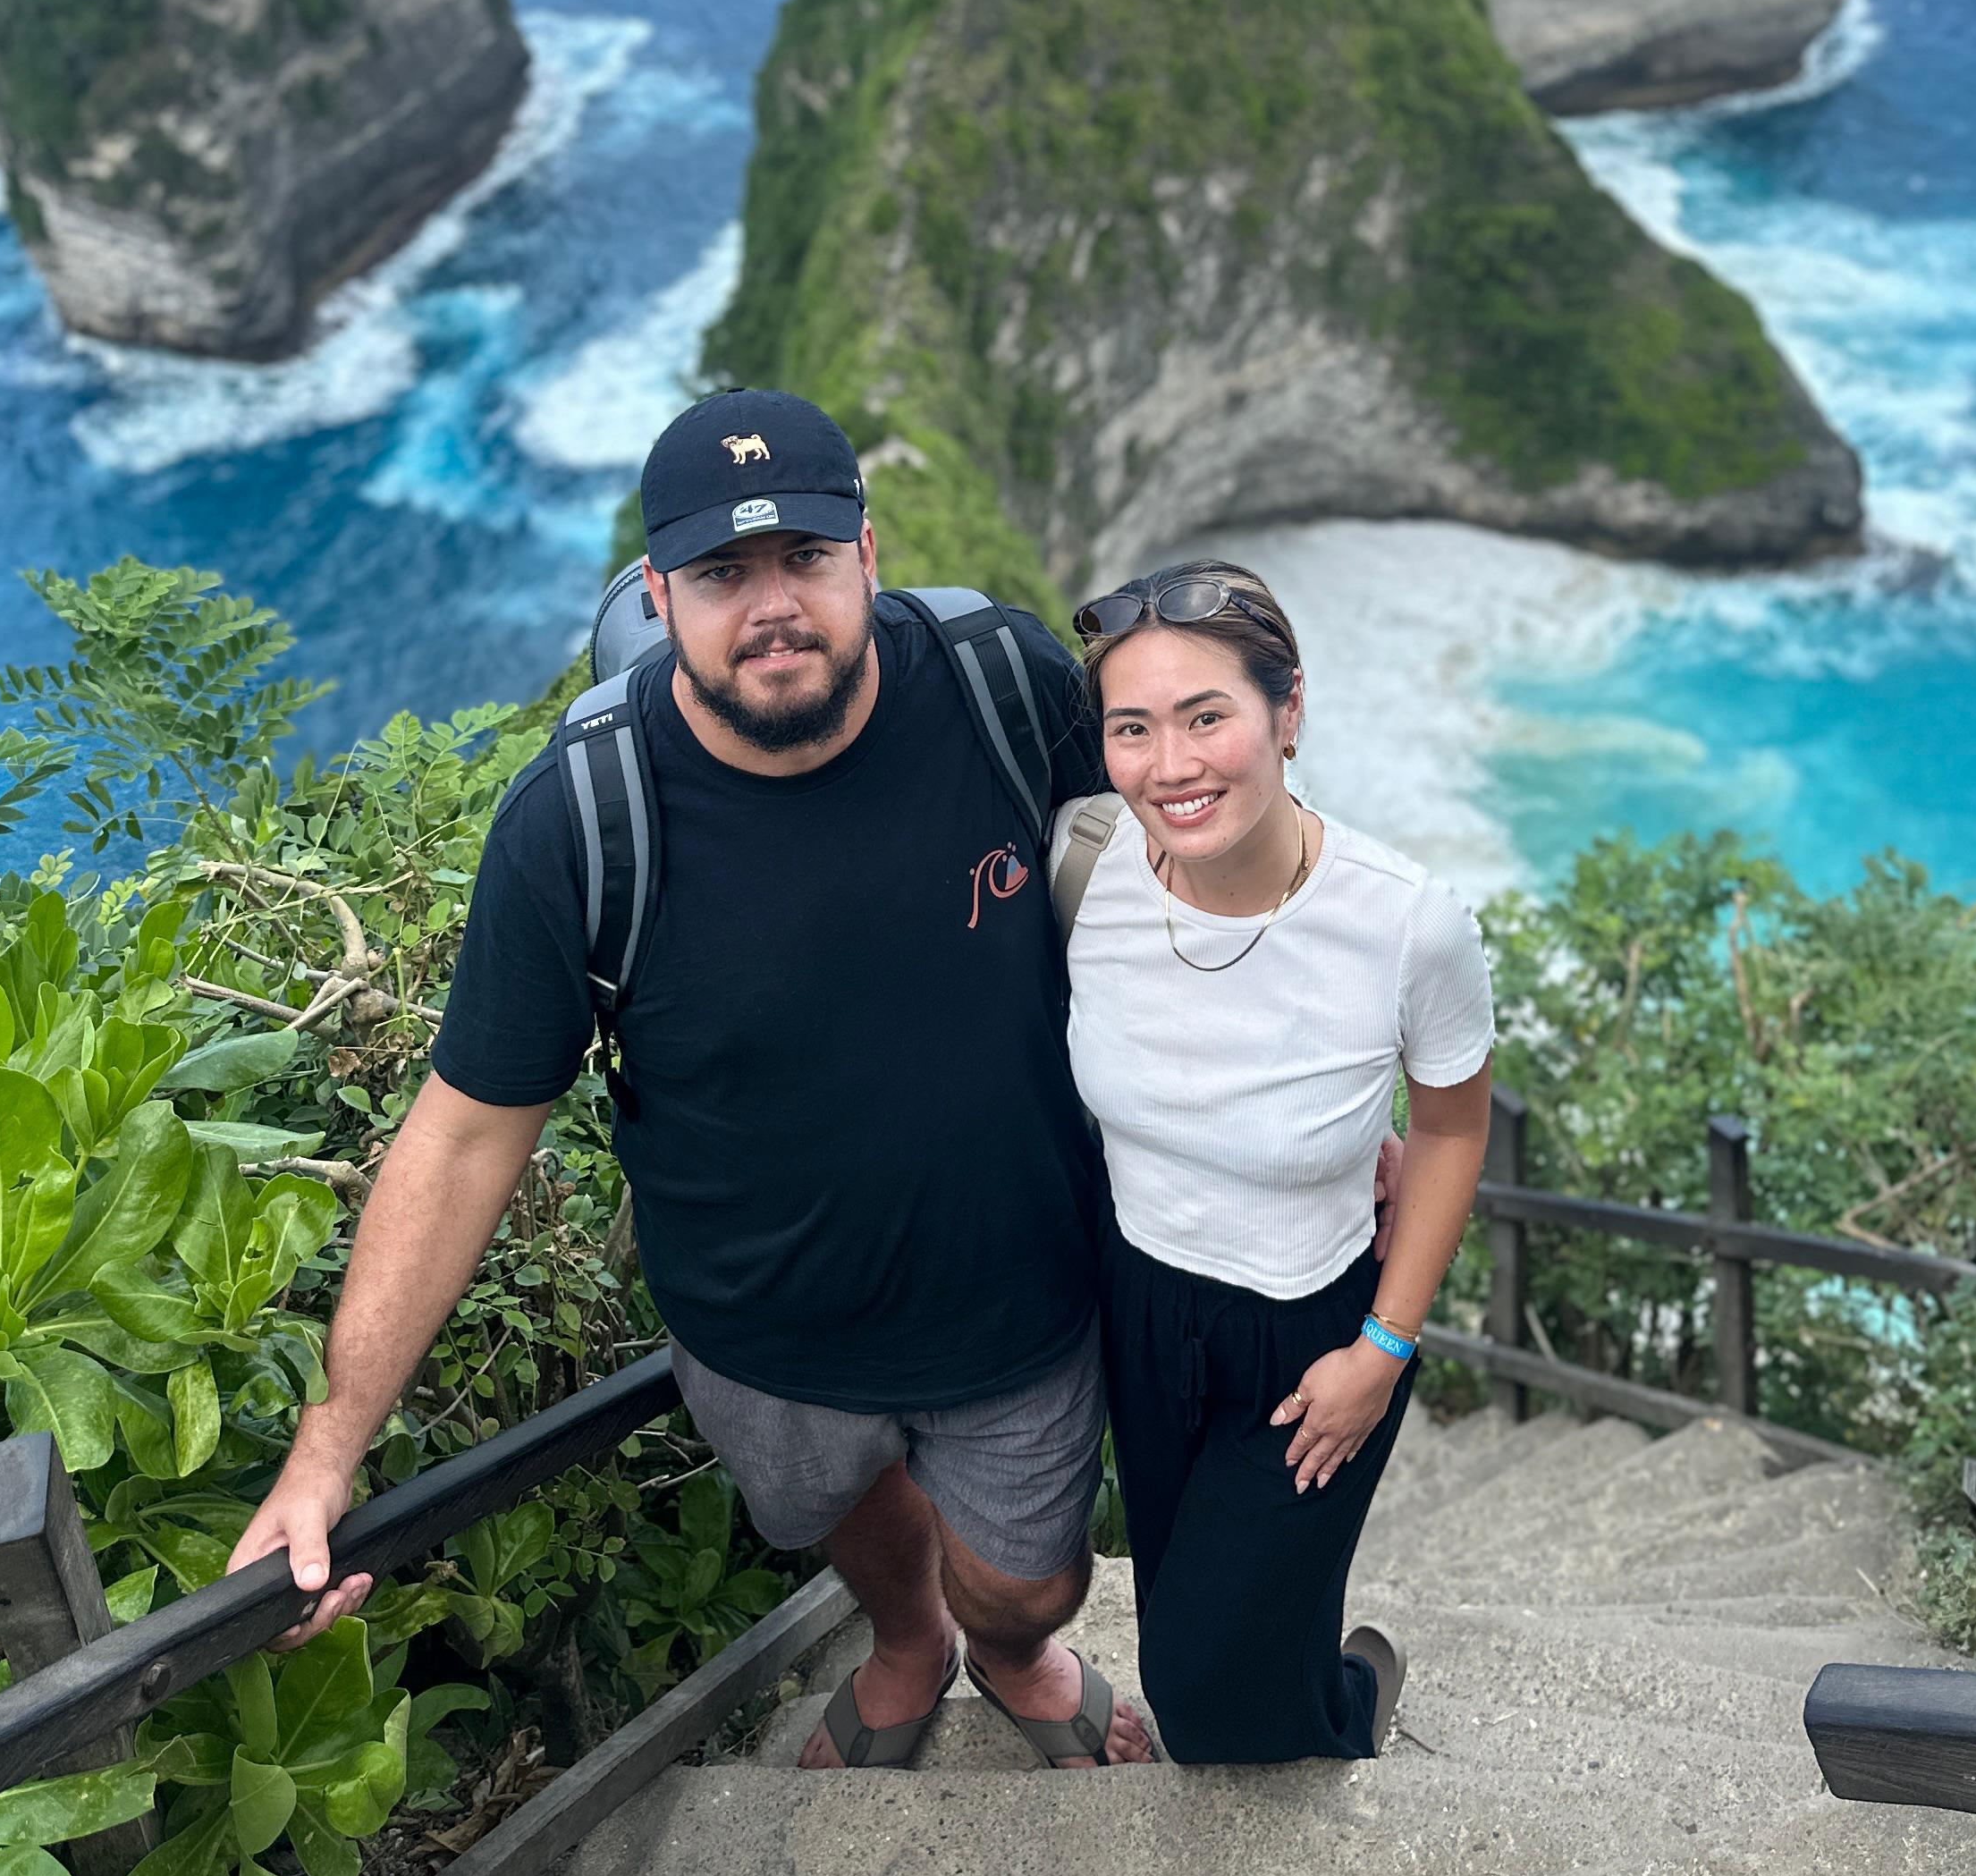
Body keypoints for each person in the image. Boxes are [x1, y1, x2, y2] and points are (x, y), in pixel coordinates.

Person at [228, 389, 1153, 1772]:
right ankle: (909, 1644)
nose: (772, 607)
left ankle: (1012, 1647)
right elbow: (469, 1133)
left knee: (1031, 1579)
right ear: (659, 594)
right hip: (759, 1334)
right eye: (724, 573)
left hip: (1019, 1294)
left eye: (805, 561)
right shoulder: (584, 822)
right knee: (842, 1519)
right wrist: (327, 1451)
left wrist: (1327, 1116)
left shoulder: (1002, 685)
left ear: (868, 557)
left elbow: (1194, 853)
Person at [1061, 558, 1494, 1762]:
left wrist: (1386, 1347)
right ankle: (1304, 1666)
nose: (1173, 765)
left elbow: (1454, 1130)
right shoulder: (1084, 871)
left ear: (1288, 713)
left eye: (1209, 717)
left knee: (1196, 1699)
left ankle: (1351, 1701)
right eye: (1133, 729)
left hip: (1318, 1329)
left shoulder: (1405, 920)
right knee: (1204, 1606)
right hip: (1141, 1304)